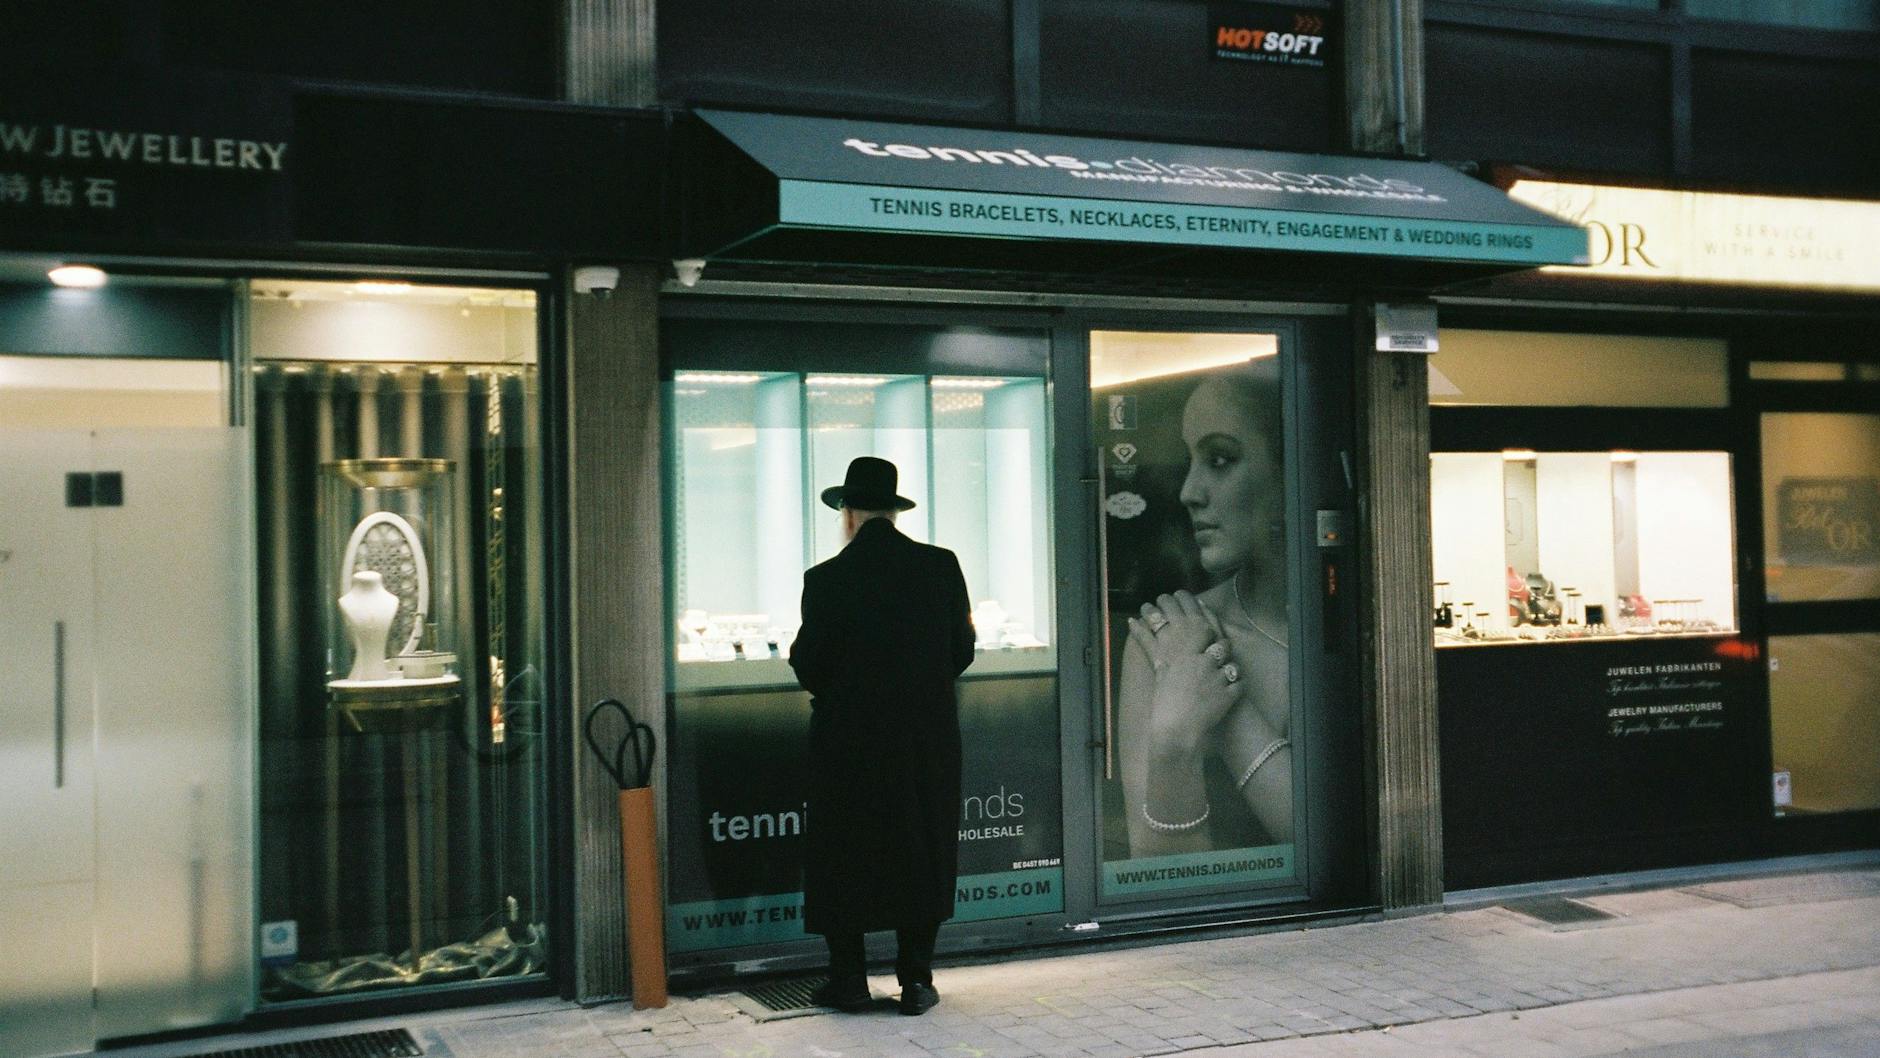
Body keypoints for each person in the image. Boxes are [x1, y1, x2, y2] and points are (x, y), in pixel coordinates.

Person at [788, 455, 976, 1016]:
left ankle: (847, 978)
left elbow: (807, 664)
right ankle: (916, 979)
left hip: (848, 744)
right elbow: (960, 649)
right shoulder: (941, 567)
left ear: (847, 512)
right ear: (893, 512)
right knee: (922, 846)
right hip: (925, 739)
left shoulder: (824, 580)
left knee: (844, 851)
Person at [1117, 371, 1292, 857]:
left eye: (1220, 459)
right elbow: (1158, 870)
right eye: (1190, 461)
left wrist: (1224, 703)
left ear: (1290, 468)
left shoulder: (1357, 630)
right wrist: (1173, 743)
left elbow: (1343, 847)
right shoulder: (1163, 639)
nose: (1188, 492)